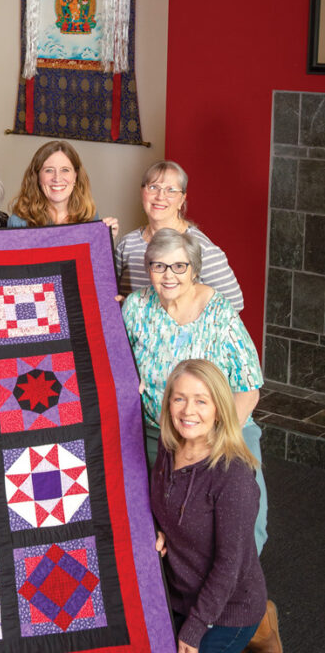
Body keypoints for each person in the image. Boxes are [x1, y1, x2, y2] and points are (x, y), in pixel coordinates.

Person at [146, 359, 282, 653]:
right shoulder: (168, 447)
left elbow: (229, 566)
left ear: (220, 410)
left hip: (229, 606)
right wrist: (157, 529)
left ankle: (259, 628)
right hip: (178, 593)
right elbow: (161, 503)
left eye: (201, 401)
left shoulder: (233, 477)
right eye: (179, 399)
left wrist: (193, 630)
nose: (187, 410)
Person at [121, 228, 268, 552]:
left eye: (179, 266)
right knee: (149, 517)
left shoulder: (219, 312)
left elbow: (249, 387)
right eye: (158, 266)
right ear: (148, 269)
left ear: (194, 269)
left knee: (243, 520)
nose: (168, 275)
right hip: (158, 429)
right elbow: (116, 367)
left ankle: (242, 596)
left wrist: (214, 441)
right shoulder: (135, 308)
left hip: (224, 429)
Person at [115, 160, 243, 310]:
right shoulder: (127, 244)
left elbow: (234, 303)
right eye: (153, 187)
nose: (160, 196)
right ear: (142, 192)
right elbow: (109, 292)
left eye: (171, 190)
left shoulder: (202, 247)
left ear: (182, 199)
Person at [7, 140, 118, 237]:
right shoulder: (19, 222)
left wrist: (106, 241)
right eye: (49, 170)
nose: (57, 178)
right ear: (37, 177)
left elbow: (93, 260)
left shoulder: (90, 218)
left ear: (75, 176)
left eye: (65, 170)